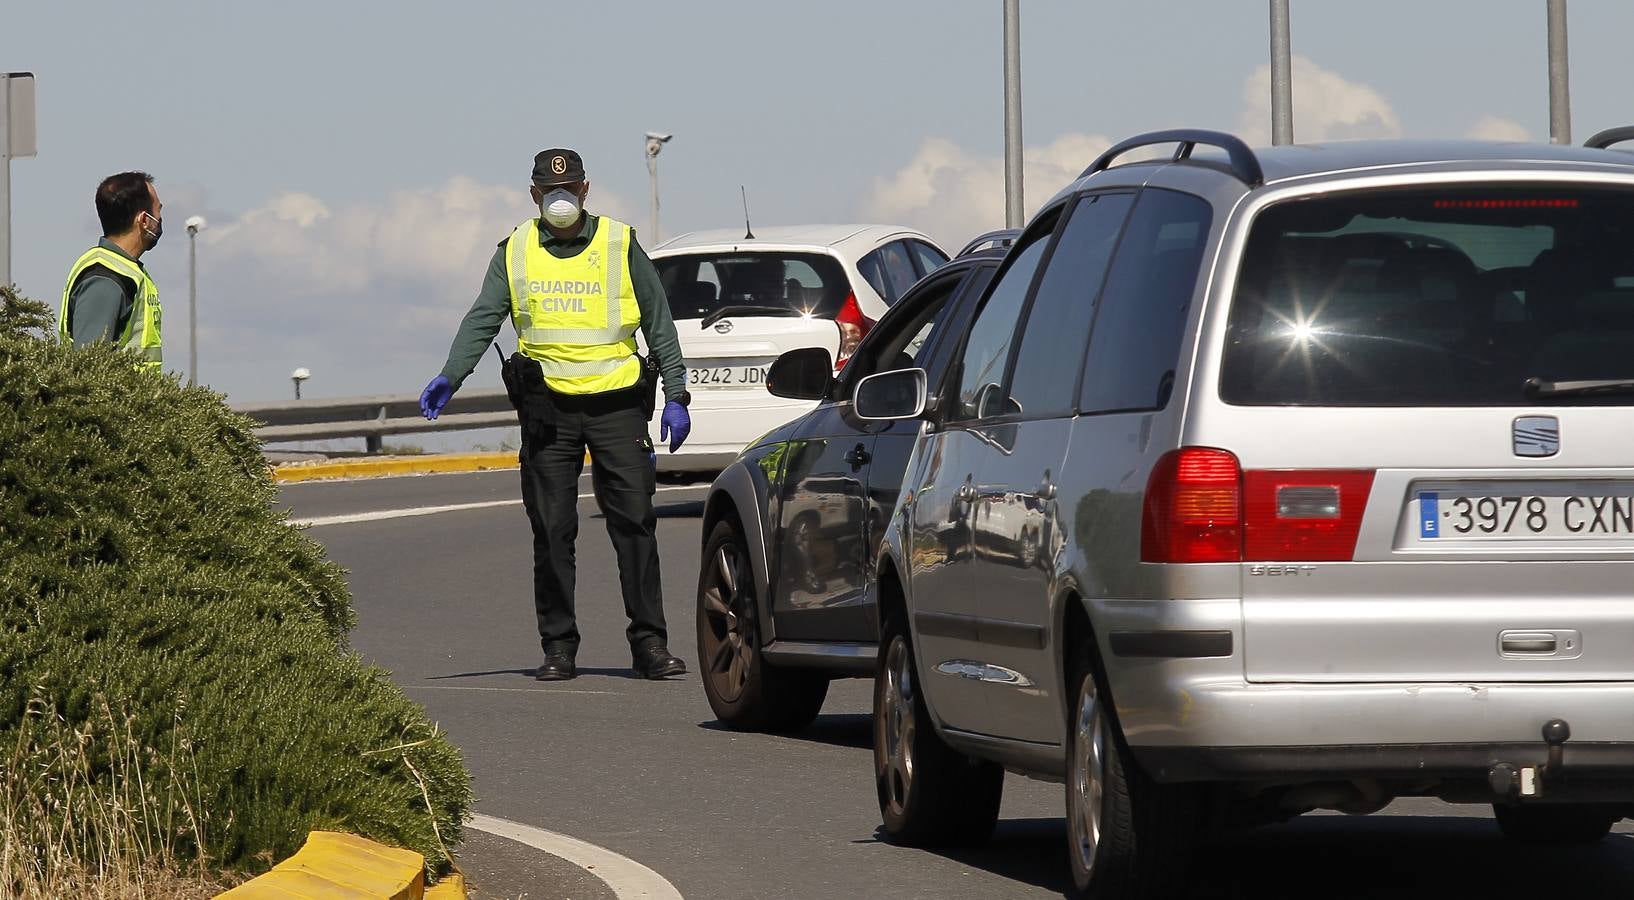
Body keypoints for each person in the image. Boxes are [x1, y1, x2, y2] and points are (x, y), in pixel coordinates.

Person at [419, 148, 693, 681]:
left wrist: (677, 394)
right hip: (549, 413)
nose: (559, 199)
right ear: (534, 195)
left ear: (586, 191)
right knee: (551, 530)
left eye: (568, 190)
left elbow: (659, 321)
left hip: (617, 405)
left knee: (634, 525)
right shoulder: (515, 250)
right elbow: (484, 317)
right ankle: (559, 647)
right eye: (548, 191)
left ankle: (650, 646)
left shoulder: (620, 242)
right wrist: (454, 373)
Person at [59, 172, 165, 367]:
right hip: (117, 398)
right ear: (144, 220)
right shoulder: (106, 277)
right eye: (158, 211)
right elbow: (88, 368)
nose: (160, 219)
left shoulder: (126, 270)